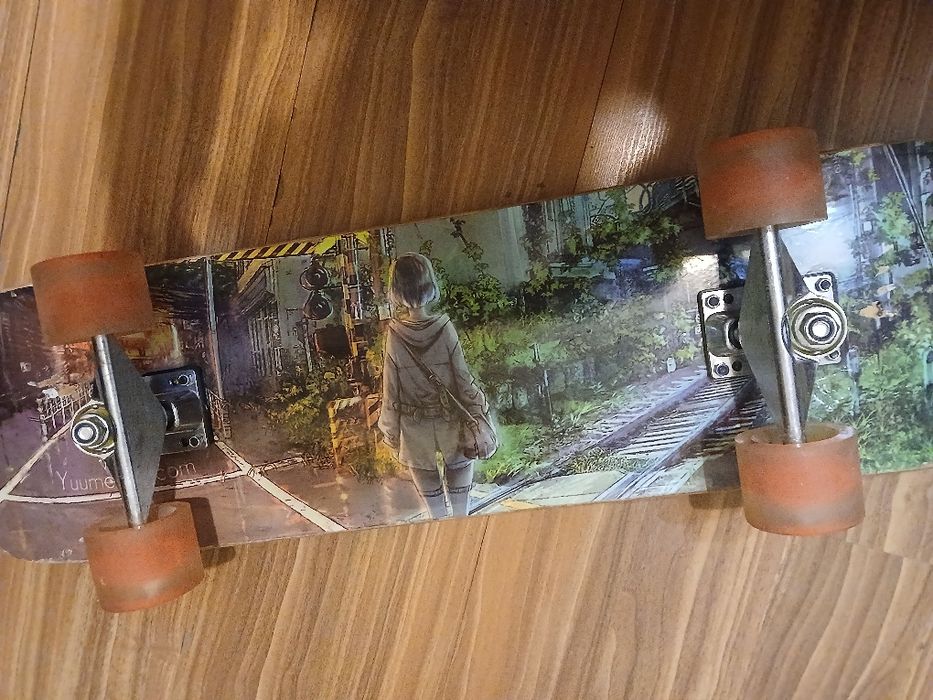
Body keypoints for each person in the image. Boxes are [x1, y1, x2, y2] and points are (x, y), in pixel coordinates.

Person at [378, 253, 489, 518]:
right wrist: (479, 410)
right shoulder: (445, 328)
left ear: (397, 291)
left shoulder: (394, 335)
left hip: (414, 428)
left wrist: (390, 431)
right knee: (461, 508)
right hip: (452, 421)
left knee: (435, 513)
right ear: (430, 285)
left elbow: (391, 391)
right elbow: (463, 379)